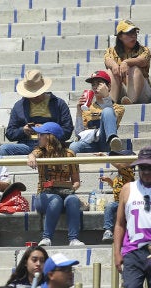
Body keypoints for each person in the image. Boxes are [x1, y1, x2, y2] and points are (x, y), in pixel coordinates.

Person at [27, 122, 84, 247]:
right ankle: (47, 238)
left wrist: (67, 187)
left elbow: (76, 182)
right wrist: (31, 156)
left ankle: (73, 239)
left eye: (41, 134)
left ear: (50, 137)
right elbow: (33, 154)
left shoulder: (69, 154)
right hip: (44, 196)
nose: (38, 137)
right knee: (55, 200)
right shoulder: (40, 151)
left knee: (73, 200)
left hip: (64, 194)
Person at [0, 70, 73, 156]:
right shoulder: (19, 106)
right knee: (3, 149)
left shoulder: (58, 103)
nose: (34, 97)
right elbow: (10, 133)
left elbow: (67, 130)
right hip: (27, 144)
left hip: (52, 144)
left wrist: (48, 131)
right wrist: (23, 131)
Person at [114, 146, 151, 287]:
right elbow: (119, 223)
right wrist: (117, 252)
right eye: (143, 168)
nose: (146, 172)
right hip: (133, 251)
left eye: (149, 167)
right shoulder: (128, 189)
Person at [69, 70, 125, 154]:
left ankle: (112, 139)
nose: (95, 87)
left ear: (108, 86)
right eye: (93, 85)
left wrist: (106, 96)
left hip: (106, 142)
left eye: (99, 83)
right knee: (73, 146)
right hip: (91, 143)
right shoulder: (87, 108)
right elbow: (79, 133)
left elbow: (113, 120)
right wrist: (79, 111)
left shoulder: (118, 108)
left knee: (107, 111)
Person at [104, 20, 151, 104]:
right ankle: (111, 103)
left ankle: (131, 102)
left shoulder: (144, 50)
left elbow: (142, 61)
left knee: (134, 69)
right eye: (129, 33)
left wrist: (126, 62)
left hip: (142, 92)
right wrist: (114, 65)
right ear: (120, 36)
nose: (133, 36)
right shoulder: (111, 51)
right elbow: (107, 60)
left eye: (135, 32)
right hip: (122, 91)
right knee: (110, 71)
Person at [97, 149, 135, 243]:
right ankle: (108, 231)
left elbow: (119, 165)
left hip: (128, 202)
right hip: (118, 202)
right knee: (109, 207)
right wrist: (109, 181)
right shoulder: (119, 176)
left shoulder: (129, 171)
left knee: (110, 206)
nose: (118, 160)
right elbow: (116, 188)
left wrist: (105, 156)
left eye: (121, 158)